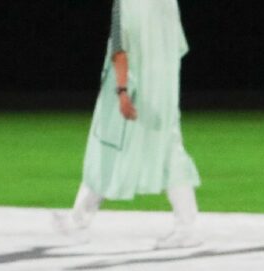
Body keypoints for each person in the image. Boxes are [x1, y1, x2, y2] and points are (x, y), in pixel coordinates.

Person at [54, 0, 201, 248]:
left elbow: (120, 49)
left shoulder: (124, 5)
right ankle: (186, 225)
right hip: (163, 90)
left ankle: (78, 220)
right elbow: (178, 46)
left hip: (131, 90)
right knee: (169, 150)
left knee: (106, 148)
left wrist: (122, 91)